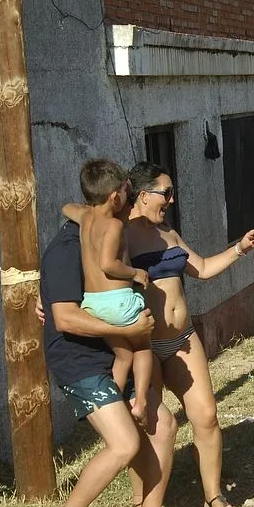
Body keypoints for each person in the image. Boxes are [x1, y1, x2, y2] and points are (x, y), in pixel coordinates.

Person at [39, 196, 193, 507]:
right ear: (113, 201)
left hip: (112, 350)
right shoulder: (65, 250)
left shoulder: (99, 229)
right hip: (79, 359)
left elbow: (66, 205)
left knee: (164, 425)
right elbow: (65, 319)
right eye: (127, 197)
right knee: (125, 444)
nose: (132, 206)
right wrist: (130, 326)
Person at [125, 161, 254, 507]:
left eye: (172, 193)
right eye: (165, 193)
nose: (171, 200)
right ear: (142, 195)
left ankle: (214, 496)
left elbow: (201, 268)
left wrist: (239, 249)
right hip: (144, 347)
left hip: (183, 339)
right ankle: (142, 502)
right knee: (150, 426)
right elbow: (93, 273)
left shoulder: (168, 232)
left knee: (206, 416)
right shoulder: (121, 234)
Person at [61, 159, 153, 428]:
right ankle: (141, 402)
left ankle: (114, 403)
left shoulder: (85, 217)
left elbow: (66, 207)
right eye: (126, 191)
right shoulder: (113, 226)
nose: (129, 196)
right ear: (114, 197)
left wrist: (81, 207)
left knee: (123, 354)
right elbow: (108, 264)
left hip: (93, 304)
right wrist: (135, 273)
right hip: (118, 302)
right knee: (143, 345)